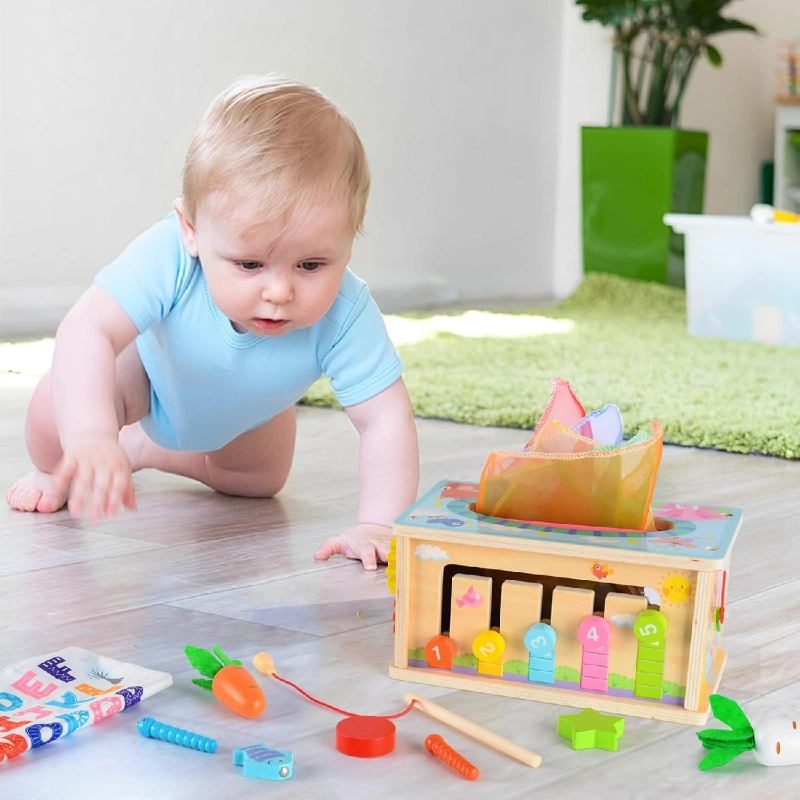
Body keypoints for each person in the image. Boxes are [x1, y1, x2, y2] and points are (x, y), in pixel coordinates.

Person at [5, 74, 419, 571]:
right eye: (249, 264)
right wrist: (90, 436)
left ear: (349, 240)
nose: (279, 291)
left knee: (259, 483)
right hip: (149, 382)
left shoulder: (347, 312)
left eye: (311, 265)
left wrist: (379, 523)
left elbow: (385, 419)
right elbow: (86, 329)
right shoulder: (169, 255)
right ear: (191, 231)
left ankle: (142, 448)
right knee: (59, 408)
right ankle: (60, 467)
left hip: (248, 415)